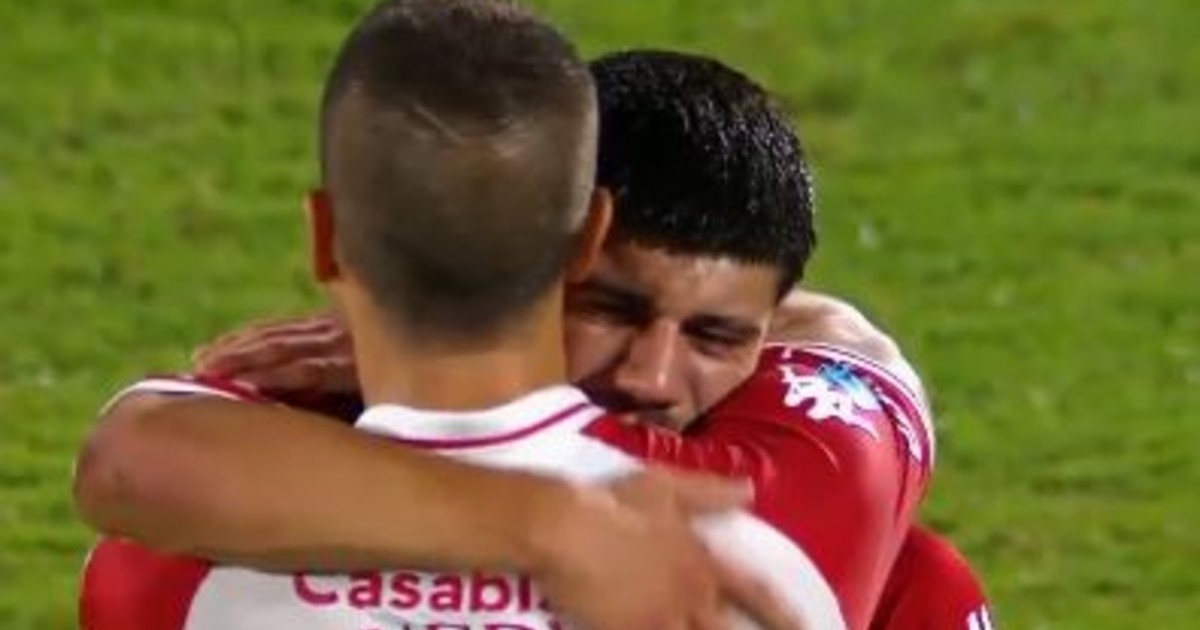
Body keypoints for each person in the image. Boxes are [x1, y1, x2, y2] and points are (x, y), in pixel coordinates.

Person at [76, 49, 968, 630]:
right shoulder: (793, 496)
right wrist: (552, 527)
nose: (653, 376)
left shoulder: (248, 487)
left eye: (715, 334)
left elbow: (136, 460)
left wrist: (419, 335)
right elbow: (852, 343)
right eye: (611, 309)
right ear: (532, 257)